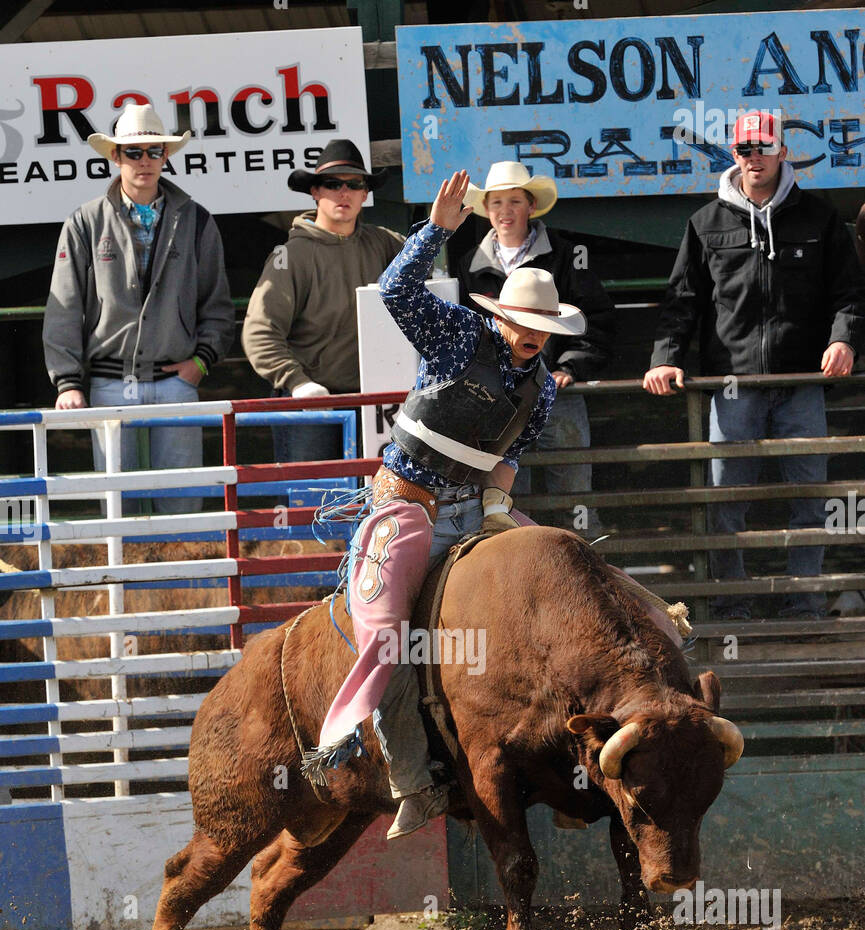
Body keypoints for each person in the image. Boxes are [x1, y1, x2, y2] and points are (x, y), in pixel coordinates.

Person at [300, 171, 580, 839]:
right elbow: (394, 290)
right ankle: (408, 776)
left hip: (471, 506)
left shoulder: (539, 389)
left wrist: (494, 506)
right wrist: (437, 232)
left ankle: (568, 763)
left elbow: (509, 458)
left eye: (543, 324)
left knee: (564, 571)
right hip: (407, 506)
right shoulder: (457, 335)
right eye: (524, 320)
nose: (532, 333)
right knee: (390, 634)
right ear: (502, 316)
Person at [644, 110, 865, 621]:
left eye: (764, 147)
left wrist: (844, 341)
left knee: (811, 499)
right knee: (726, 502)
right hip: (732, 387)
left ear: (784, 151)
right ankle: (730, 604)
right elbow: (682, 301)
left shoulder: (820, 217)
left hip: (803, 382)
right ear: (734, 155)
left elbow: (850, 293)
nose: (754, 157)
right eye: (745, 149)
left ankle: (805, 603)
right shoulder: (706, 223)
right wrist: (664, 359)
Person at [43, 103, 235, 515]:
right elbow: (63, 307)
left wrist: (199, 363)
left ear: (166, 156)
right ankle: (123, 583)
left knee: (183, 502)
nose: (145, 161)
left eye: (154, 151)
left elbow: (217, 305)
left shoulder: (199, 221)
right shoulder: (84, 222)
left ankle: (184, 581)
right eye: (134, 152)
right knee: (118, 508)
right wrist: (68, 383)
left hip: (176, 382)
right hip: (109, 383)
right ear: (115, 157)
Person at [457, 161, 615, 534]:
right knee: (505, 499)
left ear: (530, 206)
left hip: (556, 392)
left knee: (574, 493)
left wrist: (571, 366)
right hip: (496, 398)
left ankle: (584, 578)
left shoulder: (567, 255)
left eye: (514, 202)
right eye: (497, 203)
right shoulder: (468, 264)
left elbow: (595, 316)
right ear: (487, 210)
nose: (505, 211)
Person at [242, 140, 404, 467]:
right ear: (315, 192)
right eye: (332, 184)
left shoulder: (386, 244)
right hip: (312, 404)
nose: (343, 192)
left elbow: (431, 286)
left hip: (377, 403)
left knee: (384, 504)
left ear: (365, 194)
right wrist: (297, 383)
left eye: (354, 184)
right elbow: (259, 332)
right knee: (311, 500)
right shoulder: (290, 255)